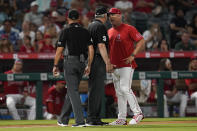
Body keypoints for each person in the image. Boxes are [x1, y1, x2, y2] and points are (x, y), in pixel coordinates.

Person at [53, 9, 94, 127]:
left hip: (70, 62)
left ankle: (80, 121)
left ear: (68, 19)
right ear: (79, 19)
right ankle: (63, 120)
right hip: (82, 63)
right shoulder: (85, 31)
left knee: (73, 91)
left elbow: (59, 50)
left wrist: (55, 65)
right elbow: (91, 49)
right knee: (72, 90)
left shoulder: (65, 31)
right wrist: (89, 65)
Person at [107, 8, 145, 125]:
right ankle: (122, 118)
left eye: (113, 14)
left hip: (126, 65)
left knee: (125, 88)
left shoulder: (129, 28)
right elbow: (108, 50)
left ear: (119, 15)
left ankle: (138, 113)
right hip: (114, 66)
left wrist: (133, 55)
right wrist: (108, 63)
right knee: (119, 92)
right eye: (109, 15)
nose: (111, 17)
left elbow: (141, 41)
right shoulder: (109, 31)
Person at [86, 6, 114, 126]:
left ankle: (94, 118)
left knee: (94, 90)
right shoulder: (100, 26)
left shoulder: (91, 25)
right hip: (98, 60)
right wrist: (107, 62)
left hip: (92, 60)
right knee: (96, 91)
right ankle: (92, 119)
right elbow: (101, 46)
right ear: (104, 16)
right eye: (107, 15)